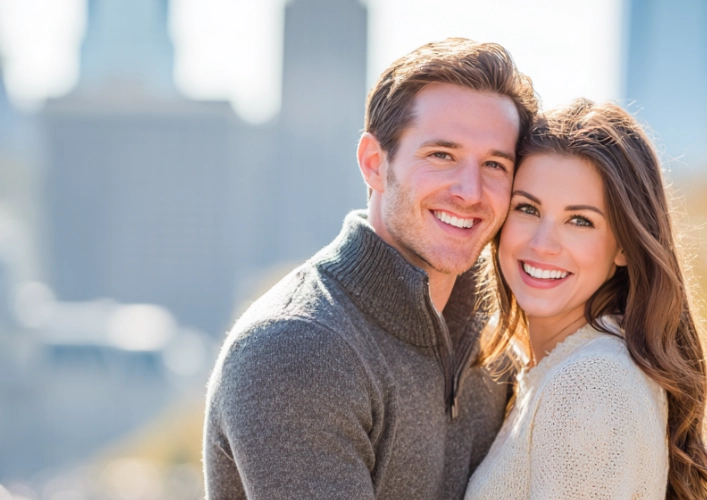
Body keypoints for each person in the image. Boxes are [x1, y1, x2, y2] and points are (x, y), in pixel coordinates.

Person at [202, 38, 538, 500]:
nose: (470, 191)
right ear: (374, 164)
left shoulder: (495, 339)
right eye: (441, 155)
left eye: (495, 164)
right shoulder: (299, 348)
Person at [463, 99, 707, 499]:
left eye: (580, 221)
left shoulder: (590, 384)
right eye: (527, 208)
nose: (543, 244)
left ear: (623, 246)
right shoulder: (560, 370)